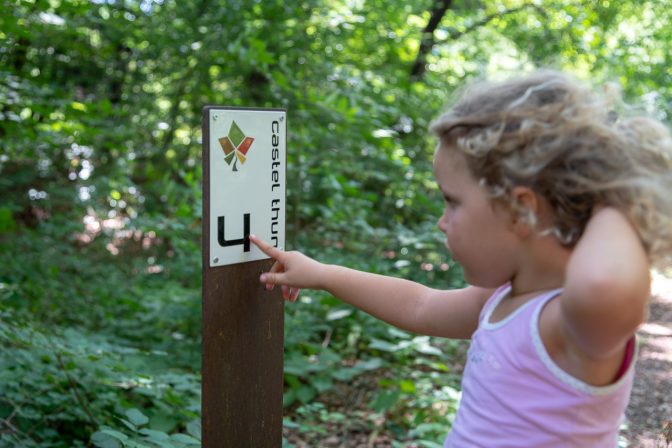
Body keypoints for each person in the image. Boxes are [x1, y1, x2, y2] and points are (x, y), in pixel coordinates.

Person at [249, 70, 672, 447]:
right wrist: (323, 274)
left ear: (521, 209)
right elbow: (421, 305)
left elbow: (604, 283)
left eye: (452, 202)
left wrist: (618, 193)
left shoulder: (570, 323)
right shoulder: (503, 300)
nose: (441, 222)